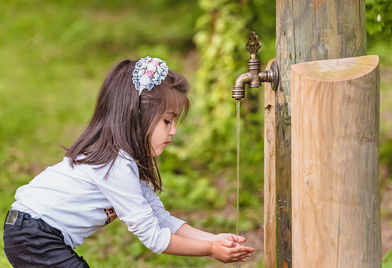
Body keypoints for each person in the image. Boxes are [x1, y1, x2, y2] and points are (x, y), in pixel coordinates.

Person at [3, 56, 255, 267]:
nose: (174, 131)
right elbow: (154, 237)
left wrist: (213, 239)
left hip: (32, 232)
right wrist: (209, 249)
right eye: (167, 121)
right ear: (138, 117)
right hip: (34, 235)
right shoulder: (115, 165)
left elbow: (160, 218)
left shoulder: (125, 161)